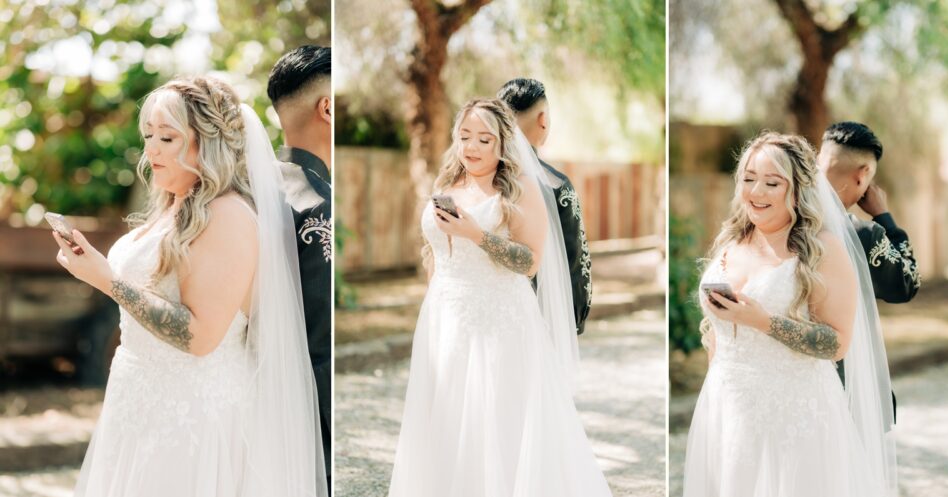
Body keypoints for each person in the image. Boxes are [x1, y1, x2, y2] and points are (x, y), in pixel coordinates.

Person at [59, 76, 326, 496]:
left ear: (208, 142)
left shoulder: (229, 216)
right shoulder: (174, 207)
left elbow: (200, 336)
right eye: (148, 135)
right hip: (139, 402)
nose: (152, 149)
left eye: (167, 137)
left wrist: (107, 281)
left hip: (192, 418)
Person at [387, 98, 611, 496]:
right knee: (447, 416)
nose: (471, 147)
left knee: (495, 420)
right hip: (445, 315)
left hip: (499, 320)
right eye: (465, 137)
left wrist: (477, 234)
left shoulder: (520, 191)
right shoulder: (446, 185)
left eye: (484, 140)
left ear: (503, 144)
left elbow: (529, 262)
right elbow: (433, 250)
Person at [684, 131, 896, 496]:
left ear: (797, 188)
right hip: (726, 406)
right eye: (749, 179)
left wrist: (763, 322)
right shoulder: (733, 241)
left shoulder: (822, 249)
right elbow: (717, 335)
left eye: (772, 182)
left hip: (794, 416)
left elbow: (837, 343)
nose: (756, 191)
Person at [267, 44, 332, 484]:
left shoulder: (245, 190)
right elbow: (321, 344)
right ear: (328, 108)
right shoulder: (317, 204)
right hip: (302, 421)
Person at [497, 78, 592, 334]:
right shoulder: (556, 186)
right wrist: (575, 320)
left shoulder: (477, 178)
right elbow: (576, 263)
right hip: (538, 321)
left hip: (481, 314)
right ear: (543, 120)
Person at [818, 121, 921, 303]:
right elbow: (908, 282)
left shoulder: (780, 215)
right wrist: (883, 216)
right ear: (862, 175)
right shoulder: (861, 236)